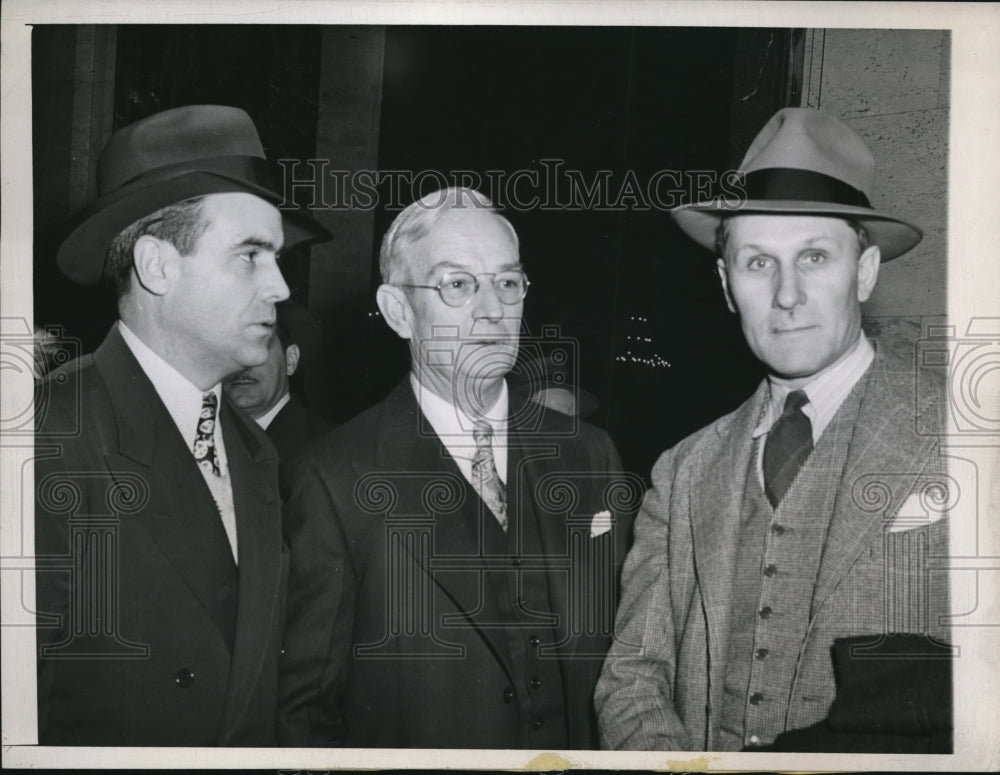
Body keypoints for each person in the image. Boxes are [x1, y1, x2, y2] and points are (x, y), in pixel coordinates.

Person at [595, 108, 951, 752]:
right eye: (758, 263)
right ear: (728, 286)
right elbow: (632, 676)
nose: (787, 294)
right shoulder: (682, 471)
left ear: (864, 273)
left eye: (814, 256)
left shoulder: (964, 441)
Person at [278, 187, 638, 749]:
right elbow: (304, 714)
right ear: (400, 311)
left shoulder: (590, 456)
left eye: (507, 282)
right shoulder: (333, 477)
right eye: (458, 284)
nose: (493, 309)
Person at [34, 104, 329, 746]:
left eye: (276, 257)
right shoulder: (47, 439)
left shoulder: (254, 451)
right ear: (157, 266)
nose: (280, 287)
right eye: (251, 255)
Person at [223, 300, 336, 466]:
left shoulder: (330, 448)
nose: (244, 363)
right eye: (230, 349)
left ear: (290, 361)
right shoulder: (194, 438)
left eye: (259, 345)